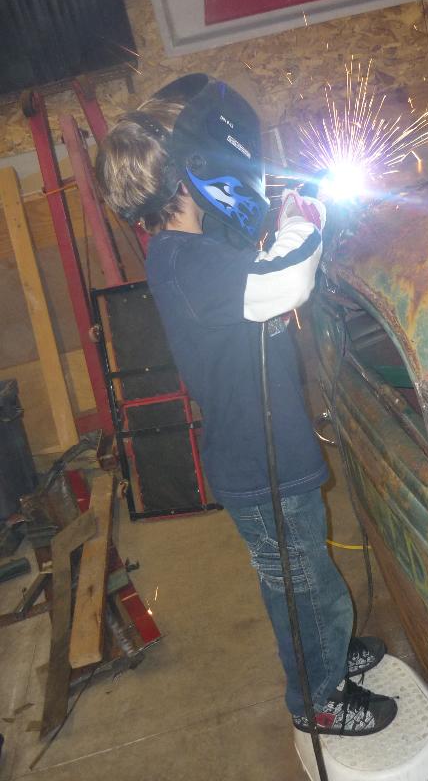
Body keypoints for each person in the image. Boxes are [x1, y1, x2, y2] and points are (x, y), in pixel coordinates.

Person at [96, 73, 397, 736]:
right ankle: (317, 698)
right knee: (296, 582)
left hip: (273, 447)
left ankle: (331, 649)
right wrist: (303, 217)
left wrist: (281, 214)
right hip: (258, 464)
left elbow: (251, 262)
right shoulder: (182, 260)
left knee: (310, 569)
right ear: (194, 175)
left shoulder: (197, 249)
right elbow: (282, 281)